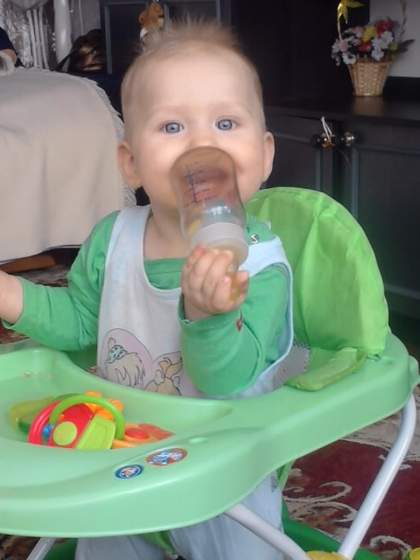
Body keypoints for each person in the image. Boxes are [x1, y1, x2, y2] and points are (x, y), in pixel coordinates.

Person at [0, 19, 293, 560]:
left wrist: (209, 315)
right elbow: (83, 325)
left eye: (226, 122)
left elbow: (226, 379)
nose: (203, 142)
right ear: (130, 164)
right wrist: (10, 296)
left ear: (265, 154)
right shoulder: (112, 239)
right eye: (172, 126)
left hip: (223, 477)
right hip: (122, 458)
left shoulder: (259, 265)